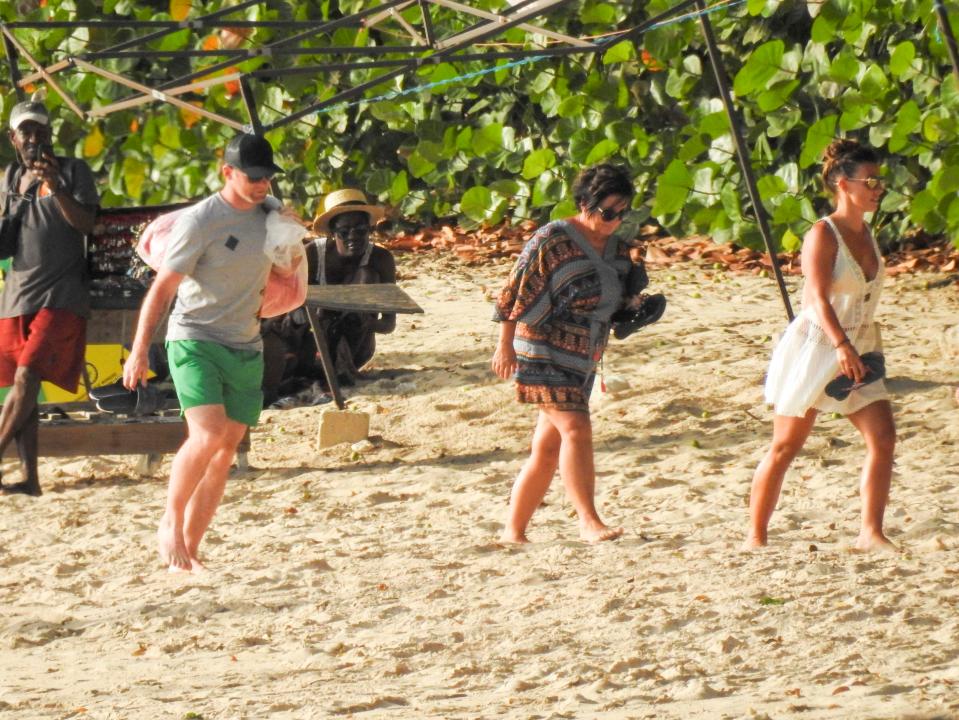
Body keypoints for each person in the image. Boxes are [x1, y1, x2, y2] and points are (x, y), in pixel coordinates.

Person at [123, 132, 285, 572]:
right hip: (194, 337)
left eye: (267, 178)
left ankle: (188, 555)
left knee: (225, 451)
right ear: (227, 172)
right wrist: (139, 351)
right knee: (208, 434)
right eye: (253, 177)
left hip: (246, 343)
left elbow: (291, 270)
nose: (261, 185)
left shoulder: (272, 217)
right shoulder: (200, 222)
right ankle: (169, 524)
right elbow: (162, 290)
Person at [745, 138, 896, 552]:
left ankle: (870, 532)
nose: (878, 188)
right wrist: (841, 345)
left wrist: (853, 347)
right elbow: (815, 298)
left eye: (880, 180)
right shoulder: (822, 233)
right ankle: (755, 536)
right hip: (819, 346)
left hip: (861, 345)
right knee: (786, 444)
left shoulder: (867, 231)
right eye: (871, 181)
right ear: (843, 185)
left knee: (883, 438)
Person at [491, 163, 643, 544]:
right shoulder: (551, 239)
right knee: (576, 428)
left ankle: (513, 530)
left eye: (622, 213)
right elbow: (513, 293)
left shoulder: (620, 250)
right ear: (583, 204)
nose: (614, 221)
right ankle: (588, 520)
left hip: (584, 355)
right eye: (607, 212)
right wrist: (504, 345)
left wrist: (637, 303)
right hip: (540, 347)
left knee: (546, 448)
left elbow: (618, 301)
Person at [0, 100, 98, 496]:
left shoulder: (74, 172)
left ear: (51, 134)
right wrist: (21, 199)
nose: (34, 138)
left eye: (40, 130)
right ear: (14, 139)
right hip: (18, 293)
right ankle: (31, 478)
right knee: (25, 390)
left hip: (62, 293)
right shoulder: (9, 179)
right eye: (26, 131)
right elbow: (6, 245)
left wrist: (56, 188)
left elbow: (87, 224)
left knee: (26, 377)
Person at [261, 188, 396, 405]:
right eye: (344, 232)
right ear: (332, 232)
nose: (353, 237)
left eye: (361, 230)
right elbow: (286, 301)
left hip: (354, 346)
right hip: (310, 341)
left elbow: (388, 325)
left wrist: (361, 320)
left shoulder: (381, 259)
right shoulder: (313, 254)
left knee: (366, 274)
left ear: (370, 230)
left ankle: (332, 366)